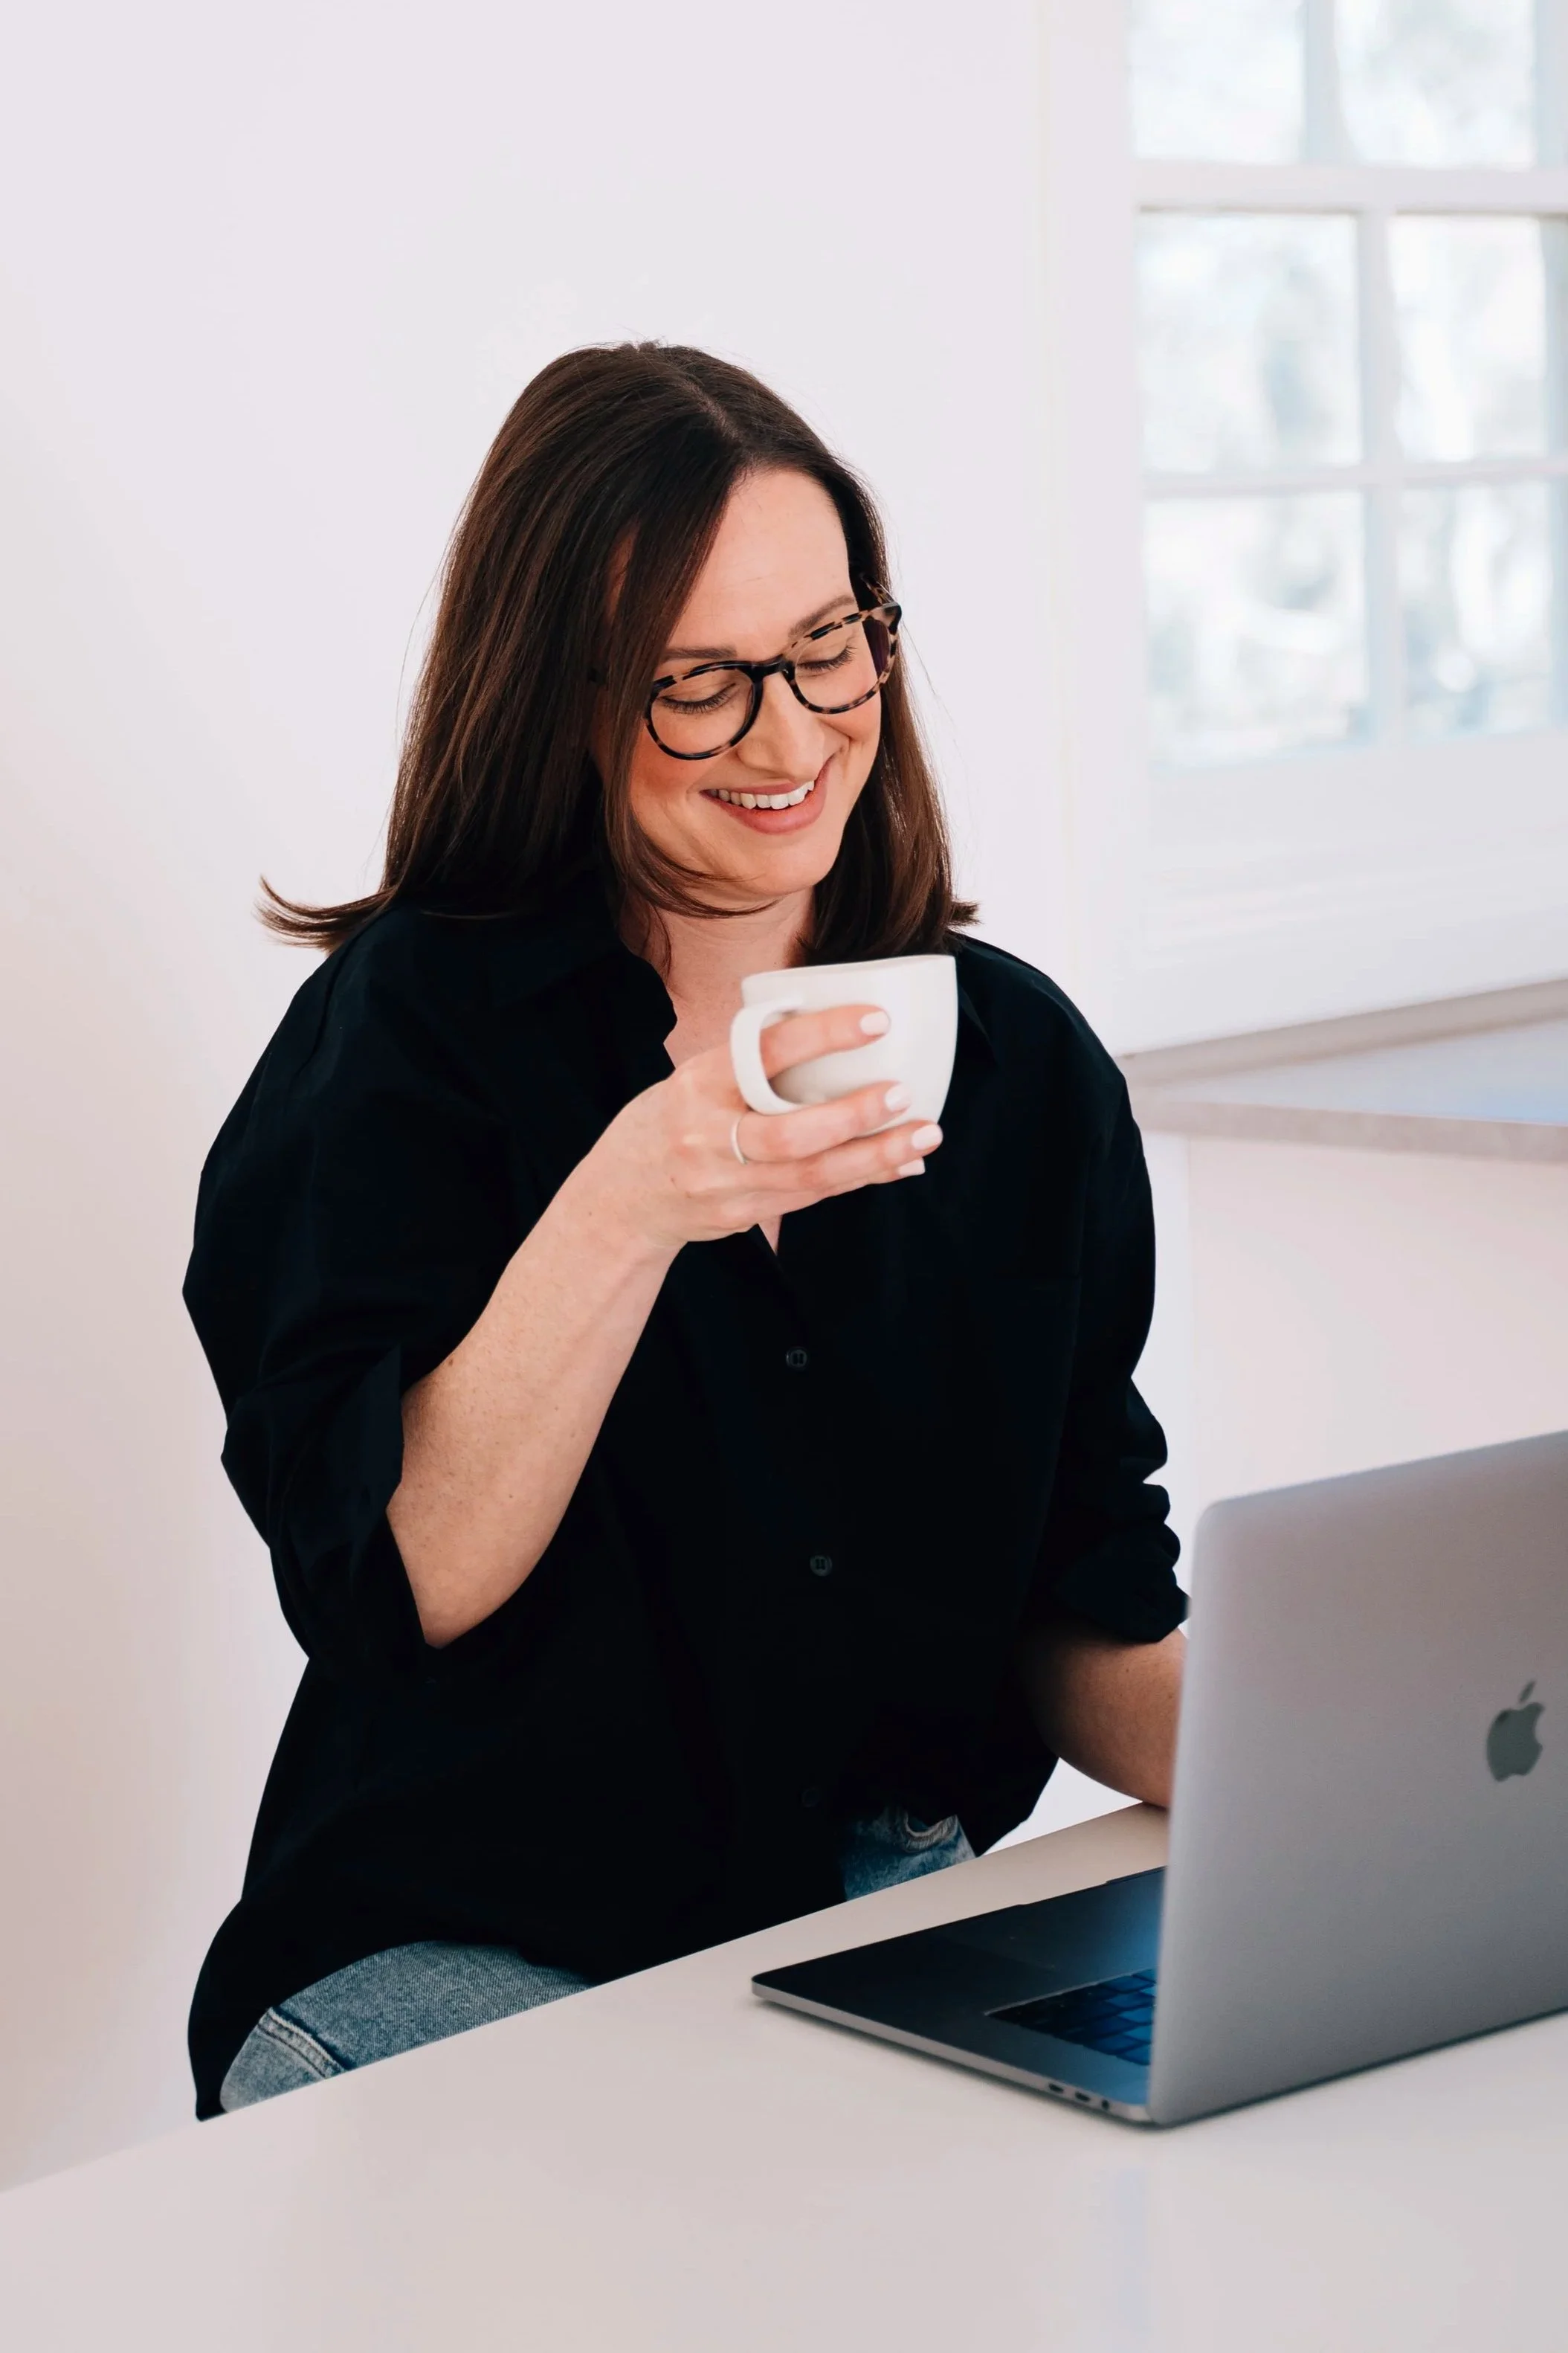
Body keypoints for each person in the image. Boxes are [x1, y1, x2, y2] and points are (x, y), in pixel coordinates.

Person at [184, 343, 1186, 2119]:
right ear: (559, 694)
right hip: (457, 1949)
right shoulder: (406, 1042)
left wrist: (1364, 1776)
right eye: (699, 686)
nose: (793, 737)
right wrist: (637, 1197)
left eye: (826, 647)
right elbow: (404, 1577)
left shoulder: (1017, 1064)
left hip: (877, 1918)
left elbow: (1078, 1596)